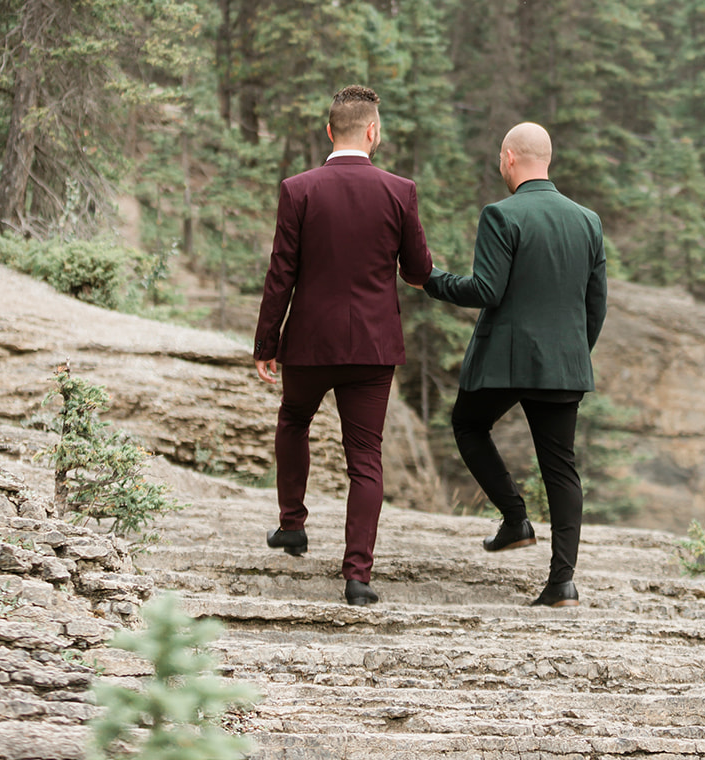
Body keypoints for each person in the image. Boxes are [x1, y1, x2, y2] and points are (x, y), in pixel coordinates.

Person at [253, 85, 432, 605]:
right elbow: (418, 271)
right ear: (373, 132)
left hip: (309, 342)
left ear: (330, 131)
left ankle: (293, 525)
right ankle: (357, 577)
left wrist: (268, 340)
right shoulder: (400, 191)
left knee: (293, 420)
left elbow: (280, 273)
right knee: (365, 459)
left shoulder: (298, 189)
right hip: (373, 348)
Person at [423, 122, 607, 606]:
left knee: (467, 424)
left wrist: (433, 279)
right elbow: (596, 305)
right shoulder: (588, 220)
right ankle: (562, 582)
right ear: (547, 159)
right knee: (561, 468)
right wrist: (571, 352)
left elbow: (487, 290)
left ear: (508, 158)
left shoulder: (501, 215)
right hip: (563, 362)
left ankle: (515, 518)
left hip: (506, 361)